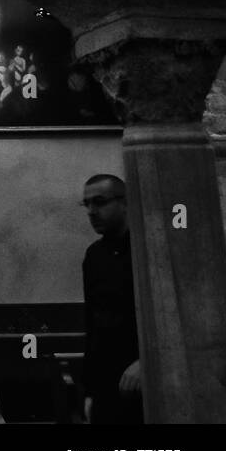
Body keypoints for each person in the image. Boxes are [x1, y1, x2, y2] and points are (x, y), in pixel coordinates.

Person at [81, 174, 143, 424]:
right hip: (106, 383)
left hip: (143, 378)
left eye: (100, 202)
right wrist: (89, 392)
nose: (92, 211)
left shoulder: (145, 248)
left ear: (125, 202)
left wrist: (146, 362)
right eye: (87, 204)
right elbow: (92, 323)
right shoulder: (95, 255)